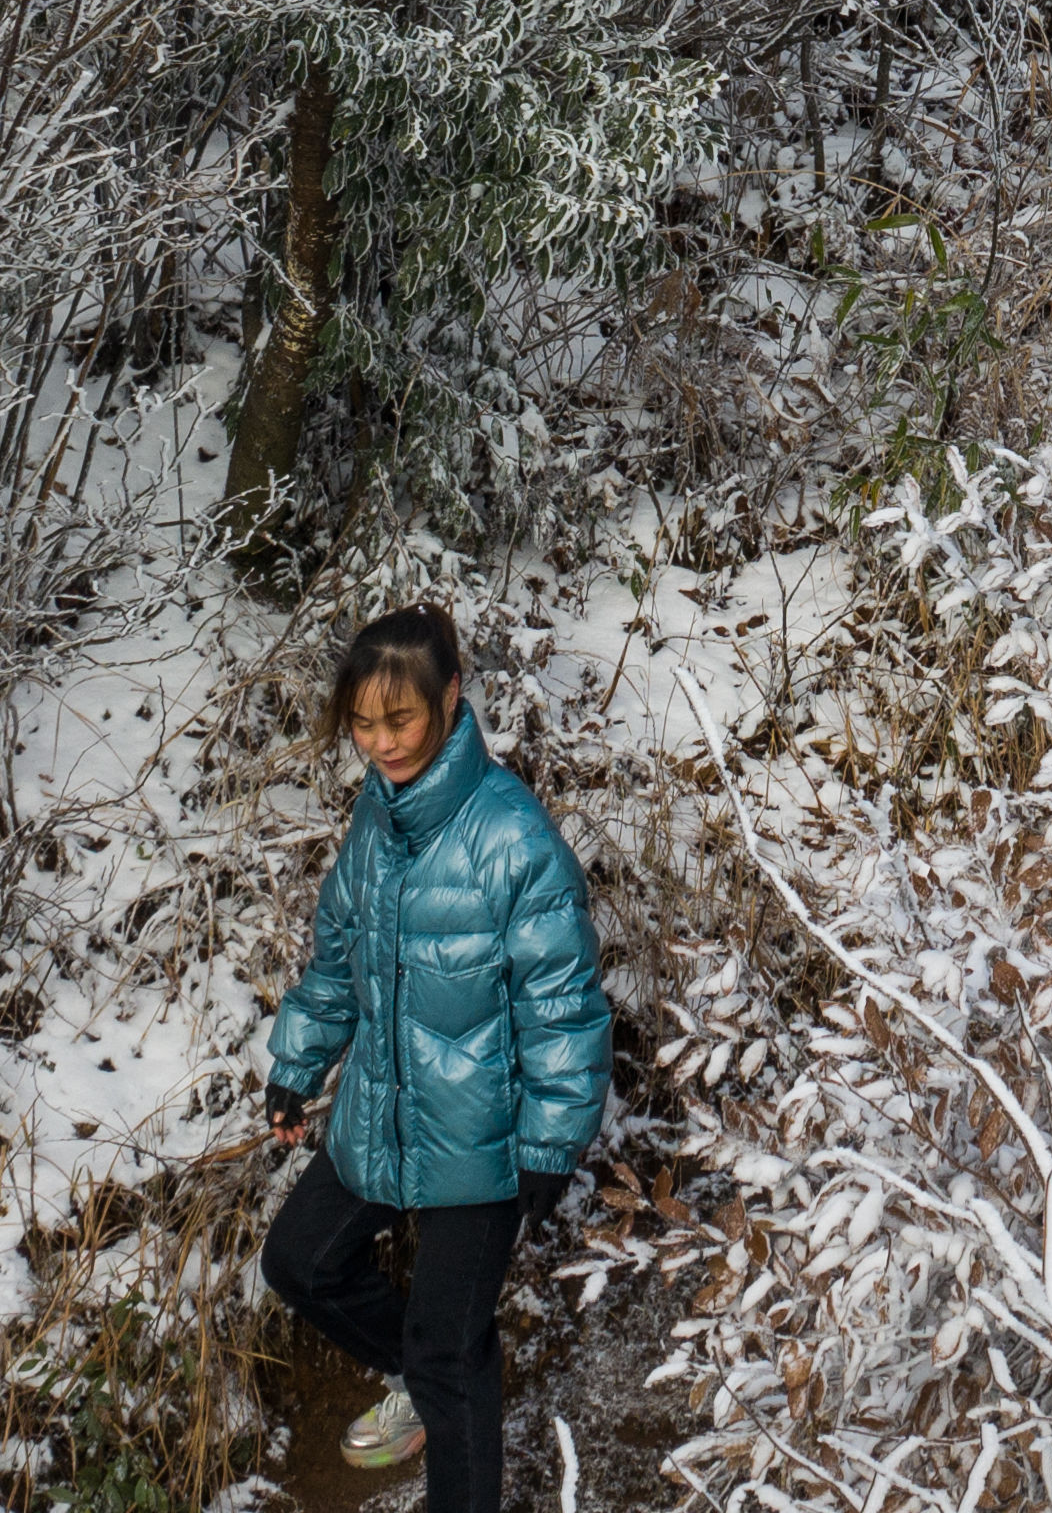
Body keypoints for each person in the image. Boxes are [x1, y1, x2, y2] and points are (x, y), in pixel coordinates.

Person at [258, 605, 611, 1513]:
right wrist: (298, 1062)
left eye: (400, 719)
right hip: (383, 1113)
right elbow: (337, 959)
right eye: (365, 724)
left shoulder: (513, 839)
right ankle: (418, 1375)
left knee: (453, 1355)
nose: (382, 743)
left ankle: (444, 1407)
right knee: (300, 1261)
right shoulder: (375, 824)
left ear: (450, 698)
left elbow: (564, 1008)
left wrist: (550, 1144)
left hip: (484, 1142)